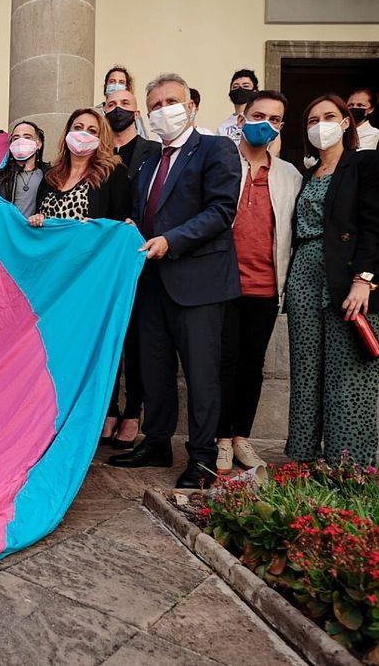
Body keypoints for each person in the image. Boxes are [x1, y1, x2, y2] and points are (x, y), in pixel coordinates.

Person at [107, 73, 241, 490]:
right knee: (154, 369)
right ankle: (157, 441)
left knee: (202, 374)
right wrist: (133, 226)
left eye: (172, 101)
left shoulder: (217, 149)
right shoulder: (147, 162)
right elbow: (142, 214)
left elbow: (221, 211)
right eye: (156, 105)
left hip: (199, 283)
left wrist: (172, 240)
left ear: (191, 105)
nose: (164, 110)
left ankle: (201, 458)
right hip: (152, 284)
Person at [284, 94, 379, 467]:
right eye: (312, 119)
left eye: (329, 116)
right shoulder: (306, 175)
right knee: (305, 372)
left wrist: (363, 279)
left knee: (349, 375)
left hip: (349, 277)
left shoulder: (365, 163)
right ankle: (303, 459)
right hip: (304, 275)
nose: (321, 124)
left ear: (346, 122)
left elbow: (375, 225)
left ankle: (348, 466)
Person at [215, 91, 301, 474]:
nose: (267, 122)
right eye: (259, 115)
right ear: (242, 119)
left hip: (266, 286)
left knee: (252, 365)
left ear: (282, 126)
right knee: (224, 362)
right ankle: (219, 439)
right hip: (223, 284)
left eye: (276, 118)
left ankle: (240, 438)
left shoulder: (290, 175)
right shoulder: (221, 164)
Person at [100, 88, 160, 447]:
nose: (117, 110)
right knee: (107, 338)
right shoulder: (99, 151)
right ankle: (107, 409)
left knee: (136, 339)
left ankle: (133, 411)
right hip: (104, 261)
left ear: (136, 111)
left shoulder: (152, 151)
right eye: (110, 105)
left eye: (124, 105)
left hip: (140, 255)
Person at [28, 108, 130, 225]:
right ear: (68, 132)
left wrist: (101, 225)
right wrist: (37, 218)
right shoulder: (51, 176)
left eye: (92, 130)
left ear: (100, 138)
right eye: (77, 127)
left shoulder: (112, 172)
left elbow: (122, 223)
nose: (83, 133)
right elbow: (39, 215)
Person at [0, 121, 48, 218]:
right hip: (7, 232)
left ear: (38, 144)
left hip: (37, 232)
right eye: (16, 138)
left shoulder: (50, 176)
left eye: (27, 137)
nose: (21, 141)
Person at [105, 89, 159, 181]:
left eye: (125, 103)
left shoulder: (156, 151)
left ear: (136, 114)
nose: (117, 108)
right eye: (111, 105)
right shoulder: (97, 152)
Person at [217, 69, 258, 145]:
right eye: (235, 87)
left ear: (255, 92)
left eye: (245, 86)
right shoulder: (223, 127)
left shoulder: (260, 118)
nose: (240, 89)